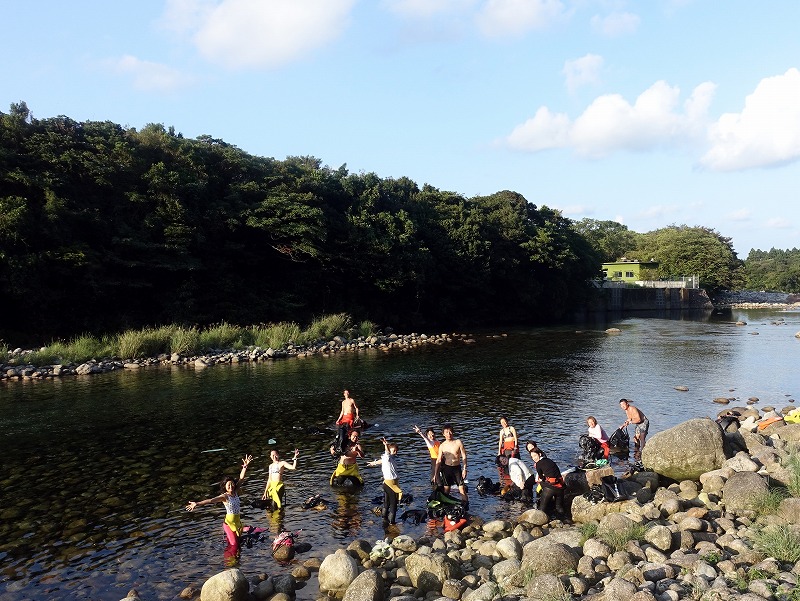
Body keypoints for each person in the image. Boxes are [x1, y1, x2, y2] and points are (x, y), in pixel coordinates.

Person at [186, 454, 253, 555]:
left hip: (237, 521)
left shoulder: (235, 491)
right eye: (228, 485)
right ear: (225, 487)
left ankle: (237, 560)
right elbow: (211, 500)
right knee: (234, 544)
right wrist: (197, 503)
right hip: (229, 524)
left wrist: (245, 466)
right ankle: (228, 560)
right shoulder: (224, 496)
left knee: (238, 543)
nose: (231, 486)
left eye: (232, 484)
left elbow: (241, 478)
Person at [367, 437, 402, 525]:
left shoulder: (390, 458)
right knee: (393, 505)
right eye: (393, 451)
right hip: (390, 484)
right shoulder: (387, 456)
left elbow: (381, 461)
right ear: (389, 451)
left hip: (389, 483)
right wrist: (386, 445)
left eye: (396, 451)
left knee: (387, 502)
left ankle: (384, 518)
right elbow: (386, 454)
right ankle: (392, 523)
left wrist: (373, 463)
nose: (395, 452)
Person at [527, 445, 565, 518]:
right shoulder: (549, 460)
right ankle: (563, 521)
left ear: (539, 454)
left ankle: (541, 522)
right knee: (559, 507)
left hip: (550, 488)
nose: (534, 458)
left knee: (542, 508)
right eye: (532, 457)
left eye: (535, 455)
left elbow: (541, 477)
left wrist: (541, 479)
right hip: (561, 487)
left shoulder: (538, 464)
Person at [435, 424, 468, 505]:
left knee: (462, 489)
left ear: (453, 432)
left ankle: (466, 506)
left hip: (457, 468)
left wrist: (465, 469)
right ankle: (446, 507)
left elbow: (464, 455)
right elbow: (438, 460)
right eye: (446, 432)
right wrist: (435, 474)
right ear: (443, 434)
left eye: (450, 432)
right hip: (447, 469)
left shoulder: (458, 442)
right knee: (446, 490)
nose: (449, 434)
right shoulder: (442, 445)